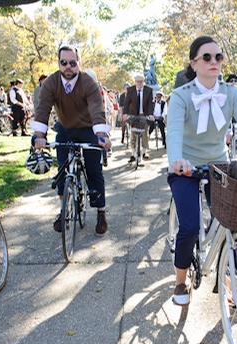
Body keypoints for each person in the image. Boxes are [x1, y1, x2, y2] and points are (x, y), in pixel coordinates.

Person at [167, 36, 237, 306]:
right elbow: (174, 132)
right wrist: (177, 160)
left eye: (219, 57)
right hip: (185, 166)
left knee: (230, 222)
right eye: (207, 57)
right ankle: (180, 280)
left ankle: (229, 279)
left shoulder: (232, 93)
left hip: (219, 165)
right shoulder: (181, 95)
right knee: (189, 225)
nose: (214, 62)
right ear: (194, 63)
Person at [31, 44, 112, 236]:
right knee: (62, 170)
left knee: (93, 169)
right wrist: (40, 136)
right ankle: (63, 210)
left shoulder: (88, 83)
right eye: (64, 62)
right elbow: (43, 109)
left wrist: (101, 135)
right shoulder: (51, 83)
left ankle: (100, 211)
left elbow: (96, 109)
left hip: (88, 129)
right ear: (59, 63)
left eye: (72, 63)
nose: (68, 66)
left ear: (79, 63)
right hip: (65, 129)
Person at [123, 74, 155, 162]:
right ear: (135, 82)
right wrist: (125, 114)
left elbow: (150, 104)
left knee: (145, 132)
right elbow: (126, 103)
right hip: (133, 113)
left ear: (143, 82)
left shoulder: (148, 91)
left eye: (141, 82)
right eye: (137, 82)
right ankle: (133, 153)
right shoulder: (130, 90)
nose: (139, 83)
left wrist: (150, 115)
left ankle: (144, 151)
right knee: (133, 132)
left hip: (144, 114)